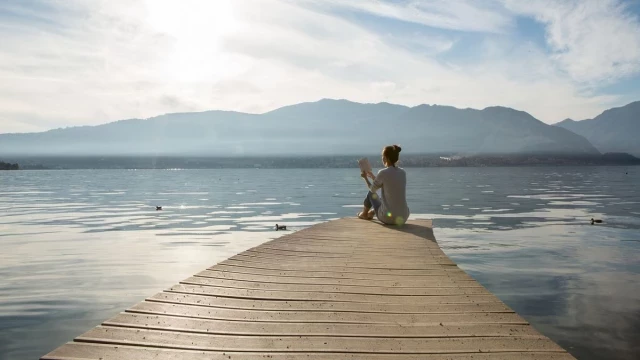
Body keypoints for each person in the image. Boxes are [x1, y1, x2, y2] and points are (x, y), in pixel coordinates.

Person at [358, 145, 410, 225]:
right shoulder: (402, 172)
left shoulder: (383, 172)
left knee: (371, 194)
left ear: (387, 158)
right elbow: (387, 183)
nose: (382, 158)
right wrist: (371, 176)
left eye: (383, 156)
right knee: (385, 198)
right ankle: (371, 214)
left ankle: (364, 214)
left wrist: (365, 178)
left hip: (388, 218)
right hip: (403, 217)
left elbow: (372, 189)